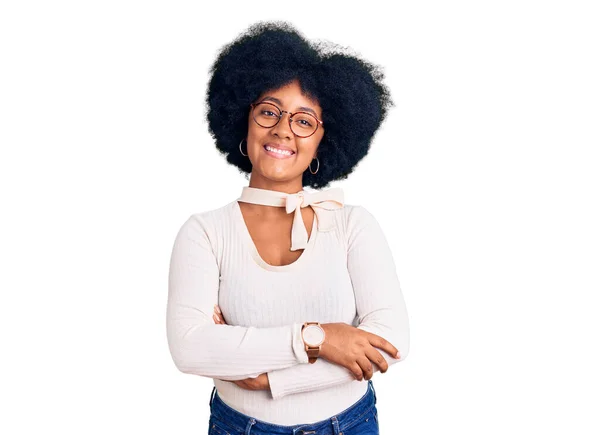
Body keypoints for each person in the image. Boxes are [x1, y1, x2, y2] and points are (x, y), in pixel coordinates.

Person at [166, 21, 410, 435]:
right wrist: (319, 339)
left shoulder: (352, 225)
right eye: (269, 112)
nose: (282, 129)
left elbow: (389, 340)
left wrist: (271, 379)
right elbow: (190, 347)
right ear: (243, 120)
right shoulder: (204, 233)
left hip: (349, 425)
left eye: (303, 120)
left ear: (322, 141)